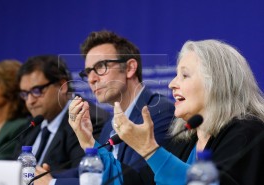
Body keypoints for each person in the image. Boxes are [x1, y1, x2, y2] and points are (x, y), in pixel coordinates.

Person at [95, 39, 264, 185]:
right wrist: (88, 141)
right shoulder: (185, 140)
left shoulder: (248, 133)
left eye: (184, 75)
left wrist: (148, 148)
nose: (172, 84)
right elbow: (138, 182)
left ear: (217, 83)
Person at [37, 30, 175, 185]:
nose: (91, 79)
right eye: (88, 72)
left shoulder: (159, 112)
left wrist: (52, 183)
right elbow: (92, 171)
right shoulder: (110, 123)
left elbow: (137, 180)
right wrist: (44, 176)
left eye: (101, 67)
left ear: (129, 68)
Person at [16, 55, 110, 171]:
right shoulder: (31, 125)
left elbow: (82, 174)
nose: (30, 101)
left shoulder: (87, 120)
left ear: (62, 86)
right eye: (25, 94)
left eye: (37, 91)